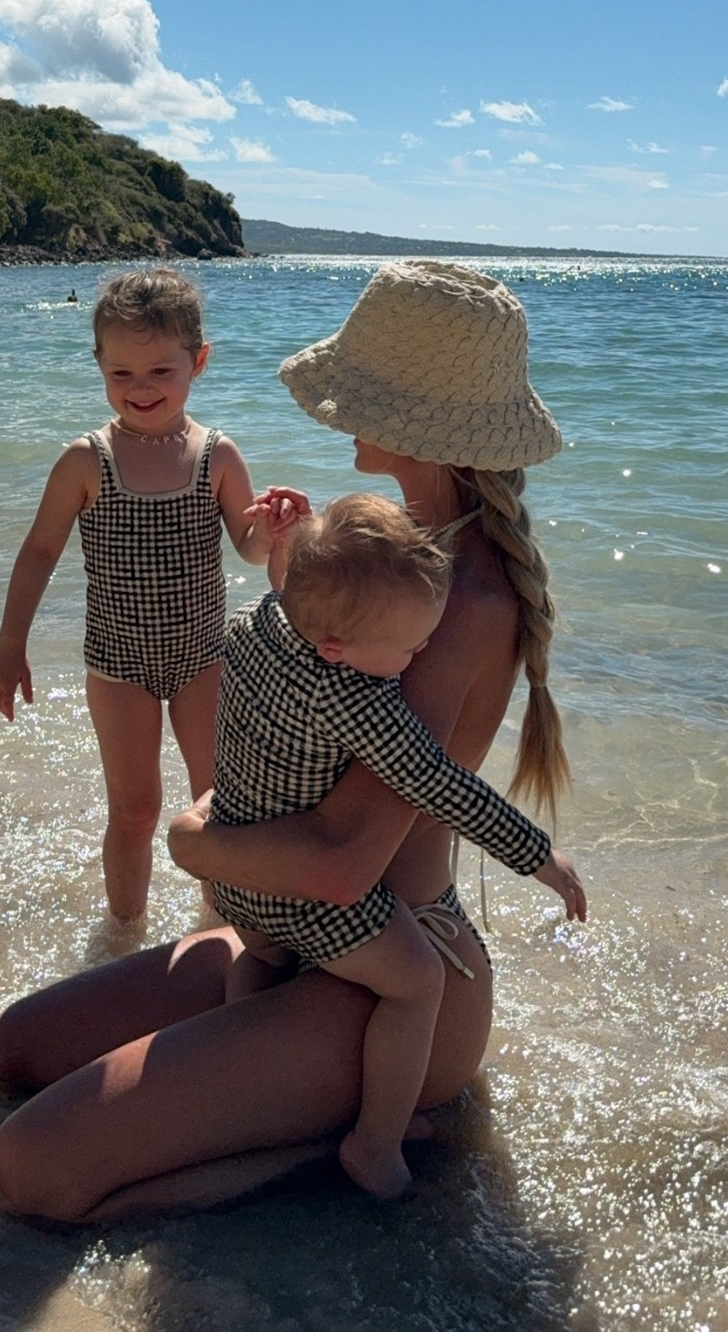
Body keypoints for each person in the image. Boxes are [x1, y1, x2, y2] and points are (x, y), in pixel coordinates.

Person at [0, 260, 587, 1222]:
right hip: (296, 937)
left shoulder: (451, 601)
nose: (336, 407)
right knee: (11, 1050)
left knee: (33, 1169)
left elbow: (348, 864)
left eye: (361, 389)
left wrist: (192, 842)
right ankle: (291, 1113)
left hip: (386, 970)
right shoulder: (385, 545)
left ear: (424, 423)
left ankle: (340, 1145)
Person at [213, 492, 557, 1199]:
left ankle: (231, 1045)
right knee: (418, 980)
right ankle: (376, 1141)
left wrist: (289, 558)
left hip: (235, 874)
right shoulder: (358, 701)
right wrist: (539, 856)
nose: (419, 656)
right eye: (407, 647)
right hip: (302, 895)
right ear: (338, 648)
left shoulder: (254, 623)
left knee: (261, 957)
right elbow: (438, 783)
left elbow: (289, 601)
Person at [0, 267, 293, 923]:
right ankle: (123, 934)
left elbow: (250, 549)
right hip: (118, 663)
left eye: (161, 371)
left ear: (198, 363)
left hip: (204, 657)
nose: (141, 389)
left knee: (217, 803)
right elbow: (40, 550)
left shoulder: (216, 456)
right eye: (121, 374)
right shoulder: (85, 461)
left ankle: (219, 927)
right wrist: (11, 647)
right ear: (98, 365)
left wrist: (273, 532)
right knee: (134, 810)